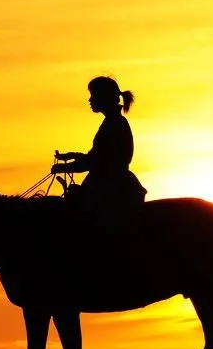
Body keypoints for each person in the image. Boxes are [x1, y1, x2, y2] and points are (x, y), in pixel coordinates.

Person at [51, 75, 148, 232]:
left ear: (104, 97)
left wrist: (65, 168)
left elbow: (98, 161)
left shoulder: (114, 124)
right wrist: (73, 156)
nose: (90, 100)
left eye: (93, 95)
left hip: (110, 186)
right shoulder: (113, 122)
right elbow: (98, 157)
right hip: (109, 182)